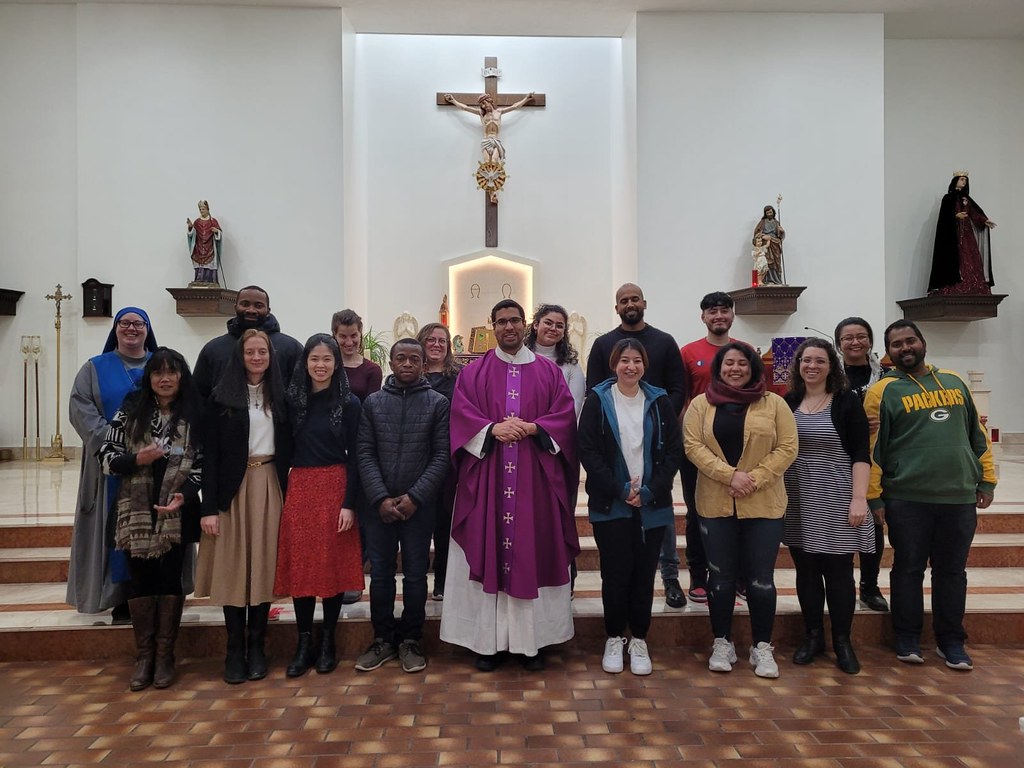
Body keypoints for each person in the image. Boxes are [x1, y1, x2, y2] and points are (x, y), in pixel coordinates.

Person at [440, 299, 579, 671]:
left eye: (515, 320)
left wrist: (535, 427)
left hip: (534, 480)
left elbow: (565, 418)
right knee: (488, 548)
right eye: (501, 321)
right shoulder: (473, 373)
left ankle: (530, 643)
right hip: (488, 479)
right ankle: (487, 644)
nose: (509, 327)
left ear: (526, 325)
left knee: (532, 551)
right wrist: (491, 429)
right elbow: (460, 415)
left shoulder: (549, 373)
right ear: (492, 326)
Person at [864, 320, 996, 670]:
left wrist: (987, 481)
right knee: (907, 569)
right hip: (907, 497)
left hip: (958, 496)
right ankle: (906, 637)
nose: (905, 348)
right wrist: (874, 497)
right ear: (889, 353)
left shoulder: (954, 383)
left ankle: (951, 641)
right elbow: (874, 448)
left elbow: (977, 436)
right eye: (896, 344)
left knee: (952, 571)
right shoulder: (883, 391)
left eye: (910, 341)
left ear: (922, 343)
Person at [683, 343, 797, 678]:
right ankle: (722, 641)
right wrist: (729, 475)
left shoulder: (774, 403)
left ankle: (762, 646)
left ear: (753, 368)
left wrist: (754, 479)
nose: (736, 368)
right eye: (729, 363)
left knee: (761, 579)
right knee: (720, 578)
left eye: (742, 363)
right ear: (719, 367)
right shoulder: (701, 405)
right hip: (716, 502)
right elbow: (692, 446)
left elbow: (788, 446)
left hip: (763, 504)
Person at [99, 348, 203, 690]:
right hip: (135, 509)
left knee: (170, 579)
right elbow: (106, 456)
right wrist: (135, 459)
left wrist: (185, 494)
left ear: (181, 376)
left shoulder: (193, 412)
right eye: (158, 373)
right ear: (150, 378)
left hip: (177, 508)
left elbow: (203, 465)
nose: (165, 378)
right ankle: (144, 657)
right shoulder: (131, 410)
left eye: (171, 372)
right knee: (140, 579)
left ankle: (165, 655)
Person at [578, 339, 682, 676]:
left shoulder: (659, 400)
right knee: (615, 573)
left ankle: (639, 638)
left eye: (637, 360)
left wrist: (650, 491)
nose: (631, 366)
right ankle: (613, 637)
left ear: (644, 365)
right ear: (614, 364)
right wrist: (620, 488)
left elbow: (672, 452)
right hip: (613, 501)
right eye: (624, 360)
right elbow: (588, 449)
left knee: (643, 574)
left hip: (652, 501)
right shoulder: (598, 399)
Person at [195, 329, 293, 684]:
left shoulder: (281, 398)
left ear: (271, 356)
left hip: (268, 482)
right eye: (249, 352)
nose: (256, 358)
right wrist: (208, 507)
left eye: (262, 352)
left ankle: (257, 647)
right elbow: (210, 457)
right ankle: (234, 649)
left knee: (264, 565)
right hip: (231, 490)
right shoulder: (221, 399)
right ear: (240, 356)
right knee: (234, 568)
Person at [586, 283, 687, 609]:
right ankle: (616, 631)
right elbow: (595, 391)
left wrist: (659, 417)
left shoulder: (665, 341)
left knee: (660, 522)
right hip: (615, 457)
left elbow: (677, 387)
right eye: (623, 300)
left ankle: (670, 577)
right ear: (616, 307)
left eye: (634, 299)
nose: (629, 304)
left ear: (644, 302)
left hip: (655, 440)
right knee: (616, 567)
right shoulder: (603, 344)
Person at [356, 339, 451, 673]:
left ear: (424, 364)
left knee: (414, 576)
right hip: (377, 506)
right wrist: (380, 497)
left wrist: (415, 496)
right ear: (391, 363)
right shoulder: (373, 403)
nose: (407, 364)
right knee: (380, 575)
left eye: (415, 359)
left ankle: (411, 639)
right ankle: (383, 639)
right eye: (401, 358)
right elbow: (364, 452)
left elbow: (442, 455)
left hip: (418, 507)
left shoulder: (438, 403)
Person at [273, 334, 363, 678]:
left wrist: (350, 503)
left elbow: (356, 456)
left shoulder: (349, 403)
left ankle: (328, 643)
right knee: (302, 569)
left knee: (332, 568)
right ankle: (303, 643)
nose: (321, 365)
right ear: (305, 363)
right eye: (315, 359)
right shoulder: (291, 401)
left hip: (336, 487)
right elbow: (282, 453)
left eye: (327, 359)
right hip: (301, 487)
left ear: (336, 363)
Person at [783, 339, 872, 675]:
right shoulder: (788, 401)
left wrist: (859, 498)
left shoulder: (847, 402)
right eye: (807, 360)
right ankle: (813, 636)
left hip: (837, 496)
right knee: (805, 571)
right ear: (798, 365)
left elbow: (861, 454)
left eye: (820, 361)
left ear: (831, 366)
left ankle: (843, 641)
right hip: (798, 498)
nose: (812, 366)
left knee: (838, 574)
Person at [67, 307, 160, 621]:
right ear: (116, 329)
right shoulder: (94, 368)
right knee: (113, 527)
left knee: (155, 527)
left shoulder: (161, 364)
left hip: (155, 464)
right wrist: (118, 442)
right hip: (110, 464)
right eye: (125, 323)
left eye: (138, 324)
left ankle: (154, 593)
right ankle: (118, 596)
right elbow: (82, 410)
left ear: (148, 329)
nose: (131, 329)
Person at [679, 291, 747, 604]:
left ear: (732, 315)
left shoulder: (744, 351)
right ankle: (698, 576)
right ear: (703, 317)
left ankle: (737, 576)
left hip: (738, 446)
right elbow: (681, 398)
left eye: (724, 311)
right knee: (698, 513)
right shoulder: (689, 352)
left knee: (737, 511)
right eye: (712, 311)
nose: (718, 316)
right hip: (696, 447)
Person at [834, 317, 889, 612]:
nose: (855, 342)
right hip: (839, 458)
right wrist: (853, 425)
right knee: (837, 523)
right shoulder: (829, 375)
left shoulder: (887, 375)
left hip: (878, 458)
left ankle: (870, 585)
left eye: (861, 336)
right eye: (847, 338)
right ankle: (840, 584)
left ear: (870, 340)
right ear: (838, 343)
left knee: (873, 523)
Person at [332, 308, 383, 604]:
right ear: (334, 335)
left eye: (353, 336)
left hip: (361, 446)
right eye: (343, 336)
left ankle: (354, 575)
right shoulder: (327, 364)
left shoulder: (371, 370)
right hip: (332, 449)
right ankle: (334, 574)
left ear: (360, 334)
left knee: (359, 515)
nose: (349, 342)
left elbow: (372, 409)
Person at [416, 323, 462, 600]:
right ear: (421, 342)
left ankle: (443, 579)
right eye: (431, 339)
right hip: (416, 458)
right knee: (420, 523)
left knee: (445, 523)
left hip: (448, 458)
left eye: (442, 340)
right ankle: (417, 580)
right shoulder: (408, 372)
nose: (436, 344)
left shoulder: (460, 376)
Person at [193, 286, 303, 400]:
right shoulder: (213, 349)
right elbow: (197, 396)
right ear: (235, 307)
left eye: (258, 306)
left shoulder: (290, 348)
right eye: (245, 304)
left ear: (268, 311)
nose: (251, 310)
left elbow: (302, 393)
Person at [928, 173, 996, 296]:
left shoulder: (966, 200)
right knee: (955, 257)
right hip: (952, 234)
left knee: (970, 256)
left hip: (966, 233)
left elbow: (974, 214)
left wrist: (984, 221)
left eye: (965, 180)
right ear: (955, 181)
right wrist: (955, 216)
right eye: (961, 179)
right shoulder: (948, 198)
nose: (964, 182)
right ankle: (954, 286)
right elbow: (943, 217)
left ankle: (972, 286)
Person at [525, 303, 586, 418]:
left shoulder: (571, 366)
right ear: (536, 325)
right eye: (548, 323)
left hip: (554, 431)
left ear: (564, 332)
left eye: (559, 326)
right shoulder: (520, 359)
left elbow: (574, 408)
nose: (553, 328)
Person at [443, 91, 535, 165]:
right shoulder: (481, 114)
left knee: (494, 162)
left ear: (489, 101)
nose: (483, 106)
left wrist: (526, 98)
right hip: (486, 141)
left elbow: (515, 106)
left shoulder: (499, 112)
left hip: (496, 140)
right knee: (486, 163)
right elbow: (465, 108)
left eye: (484, 103)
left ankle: (496, 183)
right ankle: (486, 184)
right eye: (481, 104)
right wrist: (453, 101)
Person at [186, 200, 221, 285]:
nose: (201, 211)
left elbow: (219, 234)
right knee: (200, 266)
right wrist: (190, 227)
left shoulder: (213, 221)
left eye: (203, 209)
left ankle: (211, 282)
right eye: (200, 209)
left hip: (210, 249)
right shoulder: (197, 222)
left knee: (210, 267)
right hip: (199, 248)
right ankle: (199, 280)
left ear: (208, 209)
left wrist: (216, 231)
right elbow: (191, 234)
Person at [753, 205, 785, 285]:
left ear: (773, 212)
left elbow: (781, 237)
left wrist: (782, 231)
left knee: (775, 262)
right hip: (766, 243)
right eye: (767, 213)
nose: (769, 214)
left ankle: (776, 280)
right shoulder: (762, 222)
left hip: (775, 244)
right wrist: (764, 236)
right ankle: (766, 280)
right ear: (765, 214)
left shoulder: (776, 222)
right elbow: (756, 234)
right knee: (766, 262)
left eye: (770, 212)